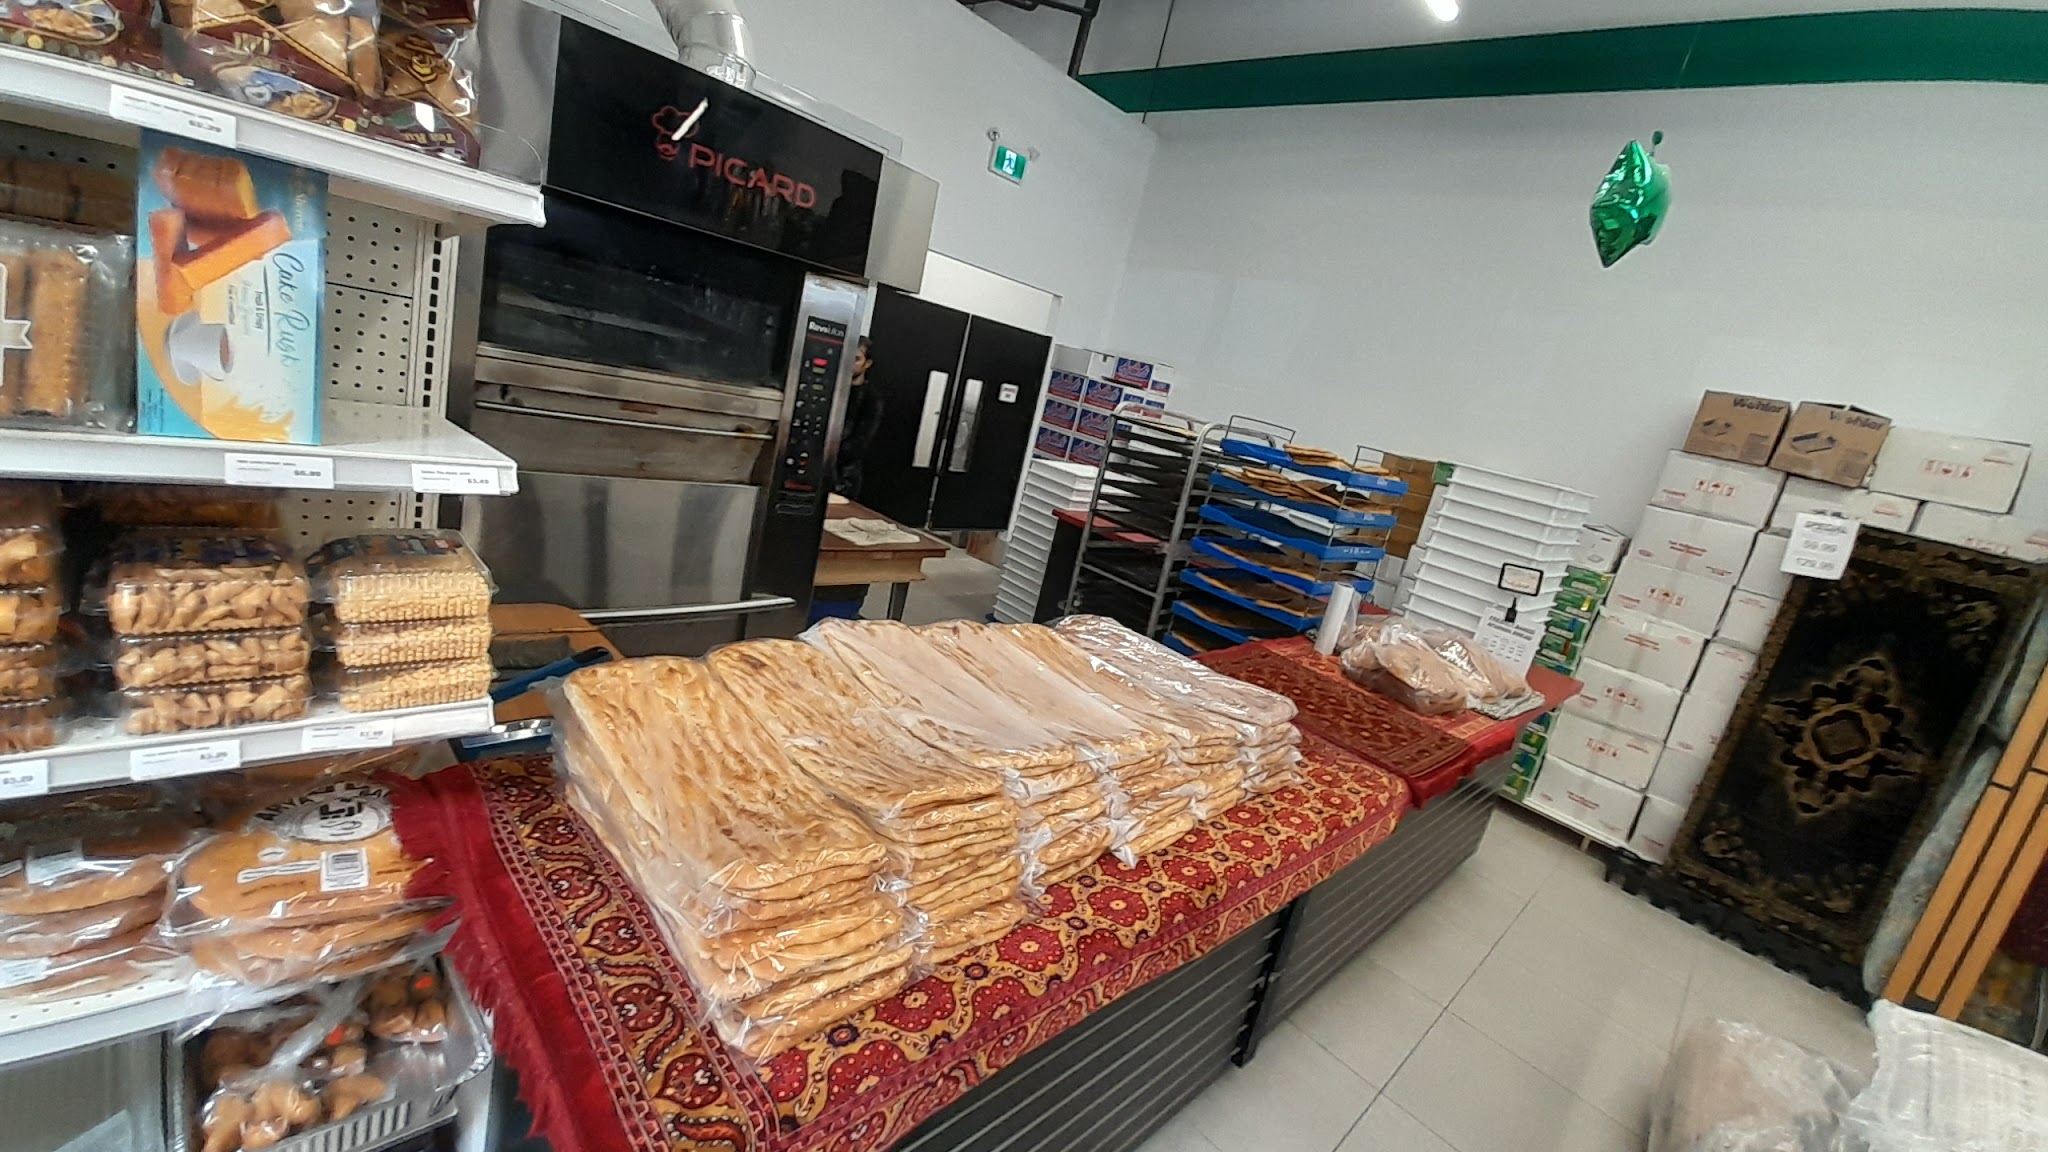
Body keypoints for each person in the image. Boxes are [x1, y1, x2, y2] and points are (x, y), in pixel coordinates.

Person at [832, 337, 880, 498]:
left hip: (845, 475)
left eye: (856, 359)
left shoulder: (870, 398)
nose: (850, 363)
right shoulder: (832, 390)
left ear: (867, 363)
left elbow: (862, 439)